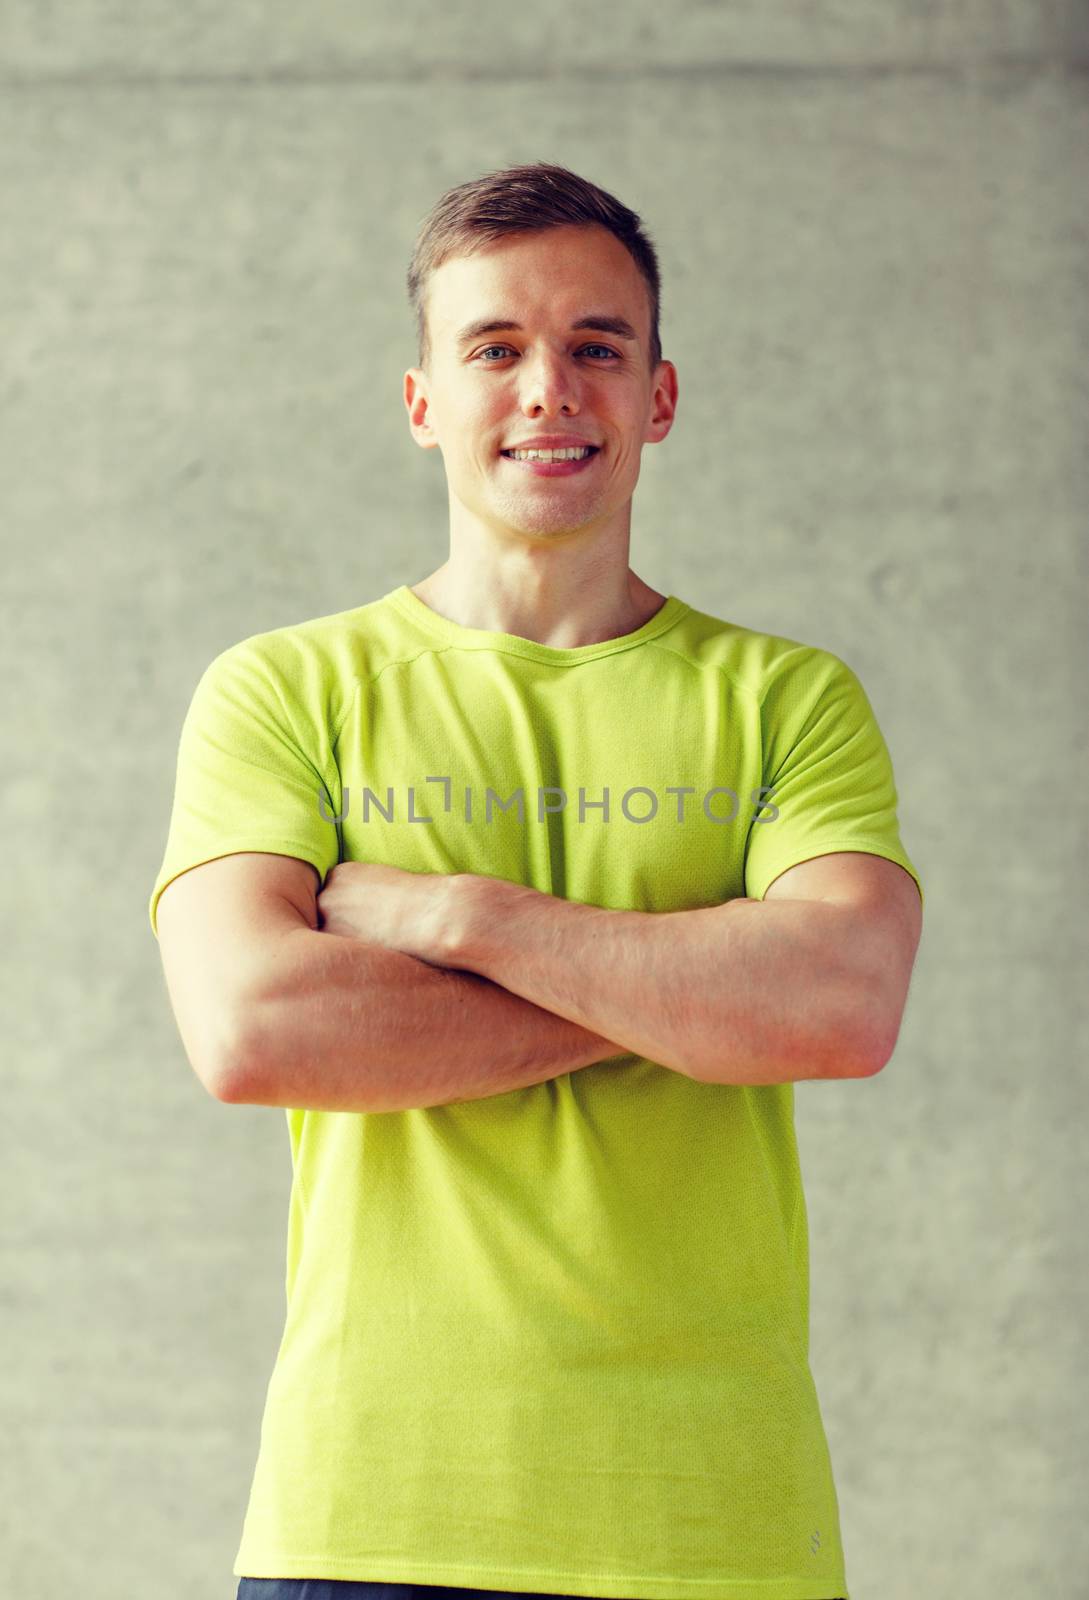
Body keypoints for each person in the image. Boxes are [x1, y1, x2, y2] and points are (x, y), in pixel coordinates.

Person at [150, 160, 922, 1600]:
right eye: (494, 348)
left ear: (660, 397)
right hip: (369, 1514)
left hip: (715, 1528)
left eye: (595, 348)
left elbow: (840, 1005)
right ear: (423, 401)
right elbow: (256, 1031)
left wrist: (465, 921)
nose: (548, 388)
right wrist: (694, 989)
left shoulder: (784, 700)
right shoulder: (285, 690)